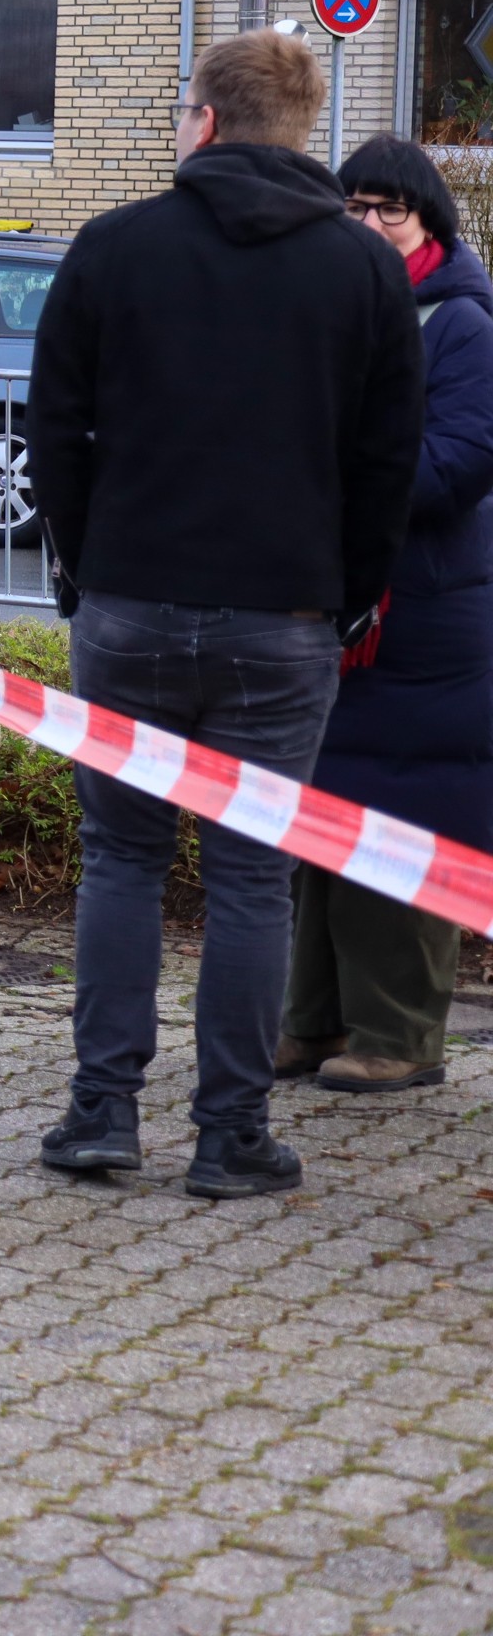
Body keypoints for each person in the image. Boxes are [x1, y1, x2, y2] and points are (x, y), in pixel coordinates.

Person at [25, 29, 422, 1198]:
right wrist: (346, 594)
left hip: (130, 601)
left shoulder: (115, 246)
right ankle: (230, 1132)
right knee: (252, 878)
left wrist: (84, 564)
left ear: (203, 119)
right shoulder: (363, 271)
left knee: (121, 857)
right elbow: (386, 461)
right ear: (303, 130)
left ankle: (102, 1111)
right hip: (284, 614)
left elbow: (54, 426)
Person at [277, 134, 493, 1093]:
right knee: (311, 817)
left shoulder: (462, 324)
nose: (367, 223)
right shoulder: (328, 307)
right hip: (328, 602)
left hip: (425, 616)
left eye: (387, 208)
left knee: (399, 818)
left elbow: (462, 460)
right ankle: (311, 1021)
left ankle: (398, 1033)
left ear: (425, 220)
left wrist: (338, 479)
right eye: (352, 206)